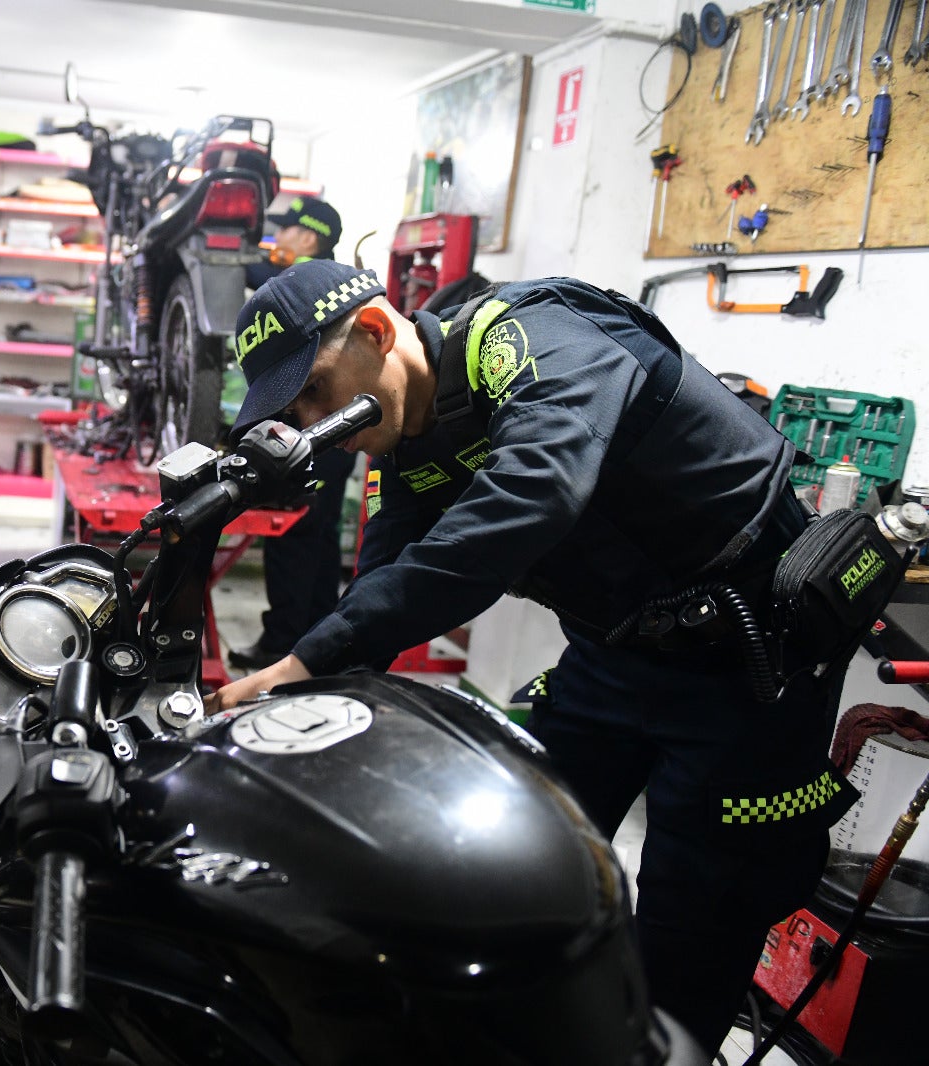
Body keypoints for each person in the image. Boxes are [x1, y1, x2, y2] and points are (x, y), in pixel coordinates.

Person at [209, 259, 857, 1055]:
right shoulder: (409, 443)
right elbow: (382, 586)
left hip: (748, 663)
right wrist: (303, 696)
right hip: (612, 654)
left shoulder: (531, 336)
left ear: (375, 331)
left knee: (687, 932)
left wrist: (306, 661)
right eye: (295, 410)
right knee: (511, 858)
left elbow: (533, 491)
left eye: (314, 390)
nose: (315, 421)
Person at [230, 195, 357, 670]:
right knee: (320, 539)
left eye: (284, 229)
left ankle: (280, 643)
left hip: (312, 429)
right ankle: (319, 641)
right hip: (340, 430)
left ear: (307, 237)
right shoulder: (334, 280)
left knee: (292, 534)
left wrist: (230, 251)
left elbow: (257, 277)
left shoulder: (301, 279)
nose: (277, 237)